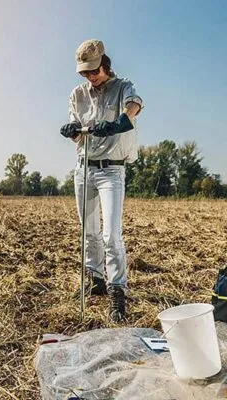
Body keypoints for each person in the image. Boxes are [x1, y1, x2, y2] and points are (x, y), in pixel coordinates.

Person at [60, 39, 143, 322]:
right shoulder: (77, 94)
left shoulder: (123, 87)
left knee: (111, 234)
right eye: (85, 73)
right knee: (89, 231)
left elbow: (133, 107)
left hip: (111, 171)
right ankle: (94, 279)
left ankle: (117, 289)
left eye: (93, 72)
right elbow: (78, 136)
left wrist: (118, 122)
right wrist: (71, 131)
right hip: (84, 169)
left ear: (104, 65)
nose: (90, 77)